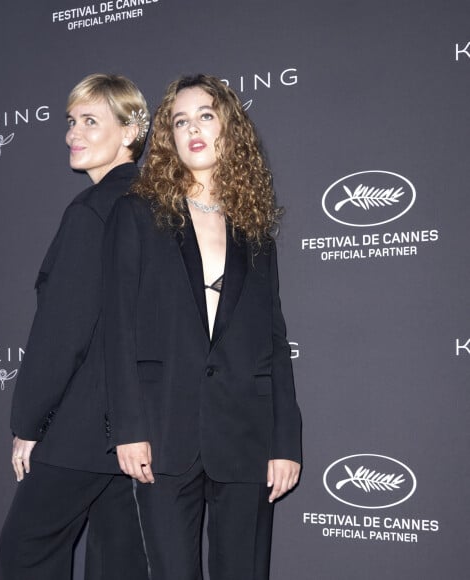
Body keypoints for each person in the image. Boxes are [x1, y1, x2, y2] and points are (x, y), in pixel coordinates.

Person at [103, 74, 302, 580]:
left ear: (228, 128)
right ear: (168, 136)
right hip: (164, 432)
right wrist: (128, 428)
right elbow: (118, 327)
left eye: (206, 116)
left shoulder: (255, 230)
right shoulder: (138, 214)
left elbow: (275, 343)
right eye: (180, 120)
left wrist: (285, 442)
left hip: (244, 434)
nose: (193, 128)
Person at [0, 73, 150, 580]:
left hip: (84, 427)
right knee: (119, 563)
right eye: (71, 122)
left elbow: (63, 330)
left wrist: (29, 424)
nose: (72, 134)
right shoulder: (157, 204)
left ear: (130, 132)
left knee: (25, 551)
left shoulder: (93, 211)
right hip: (140, 431)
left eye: (89, 121)